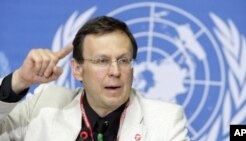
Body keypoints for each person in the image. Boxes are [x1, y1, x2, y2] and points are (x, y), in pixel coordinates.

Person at [0, 16, 190, 141]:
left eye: (124, 60)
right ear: (77, 69)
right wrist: (19, 81)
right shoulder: (44, 105)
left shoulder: (166, 121)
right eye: (102, 61)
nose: (115, 71)